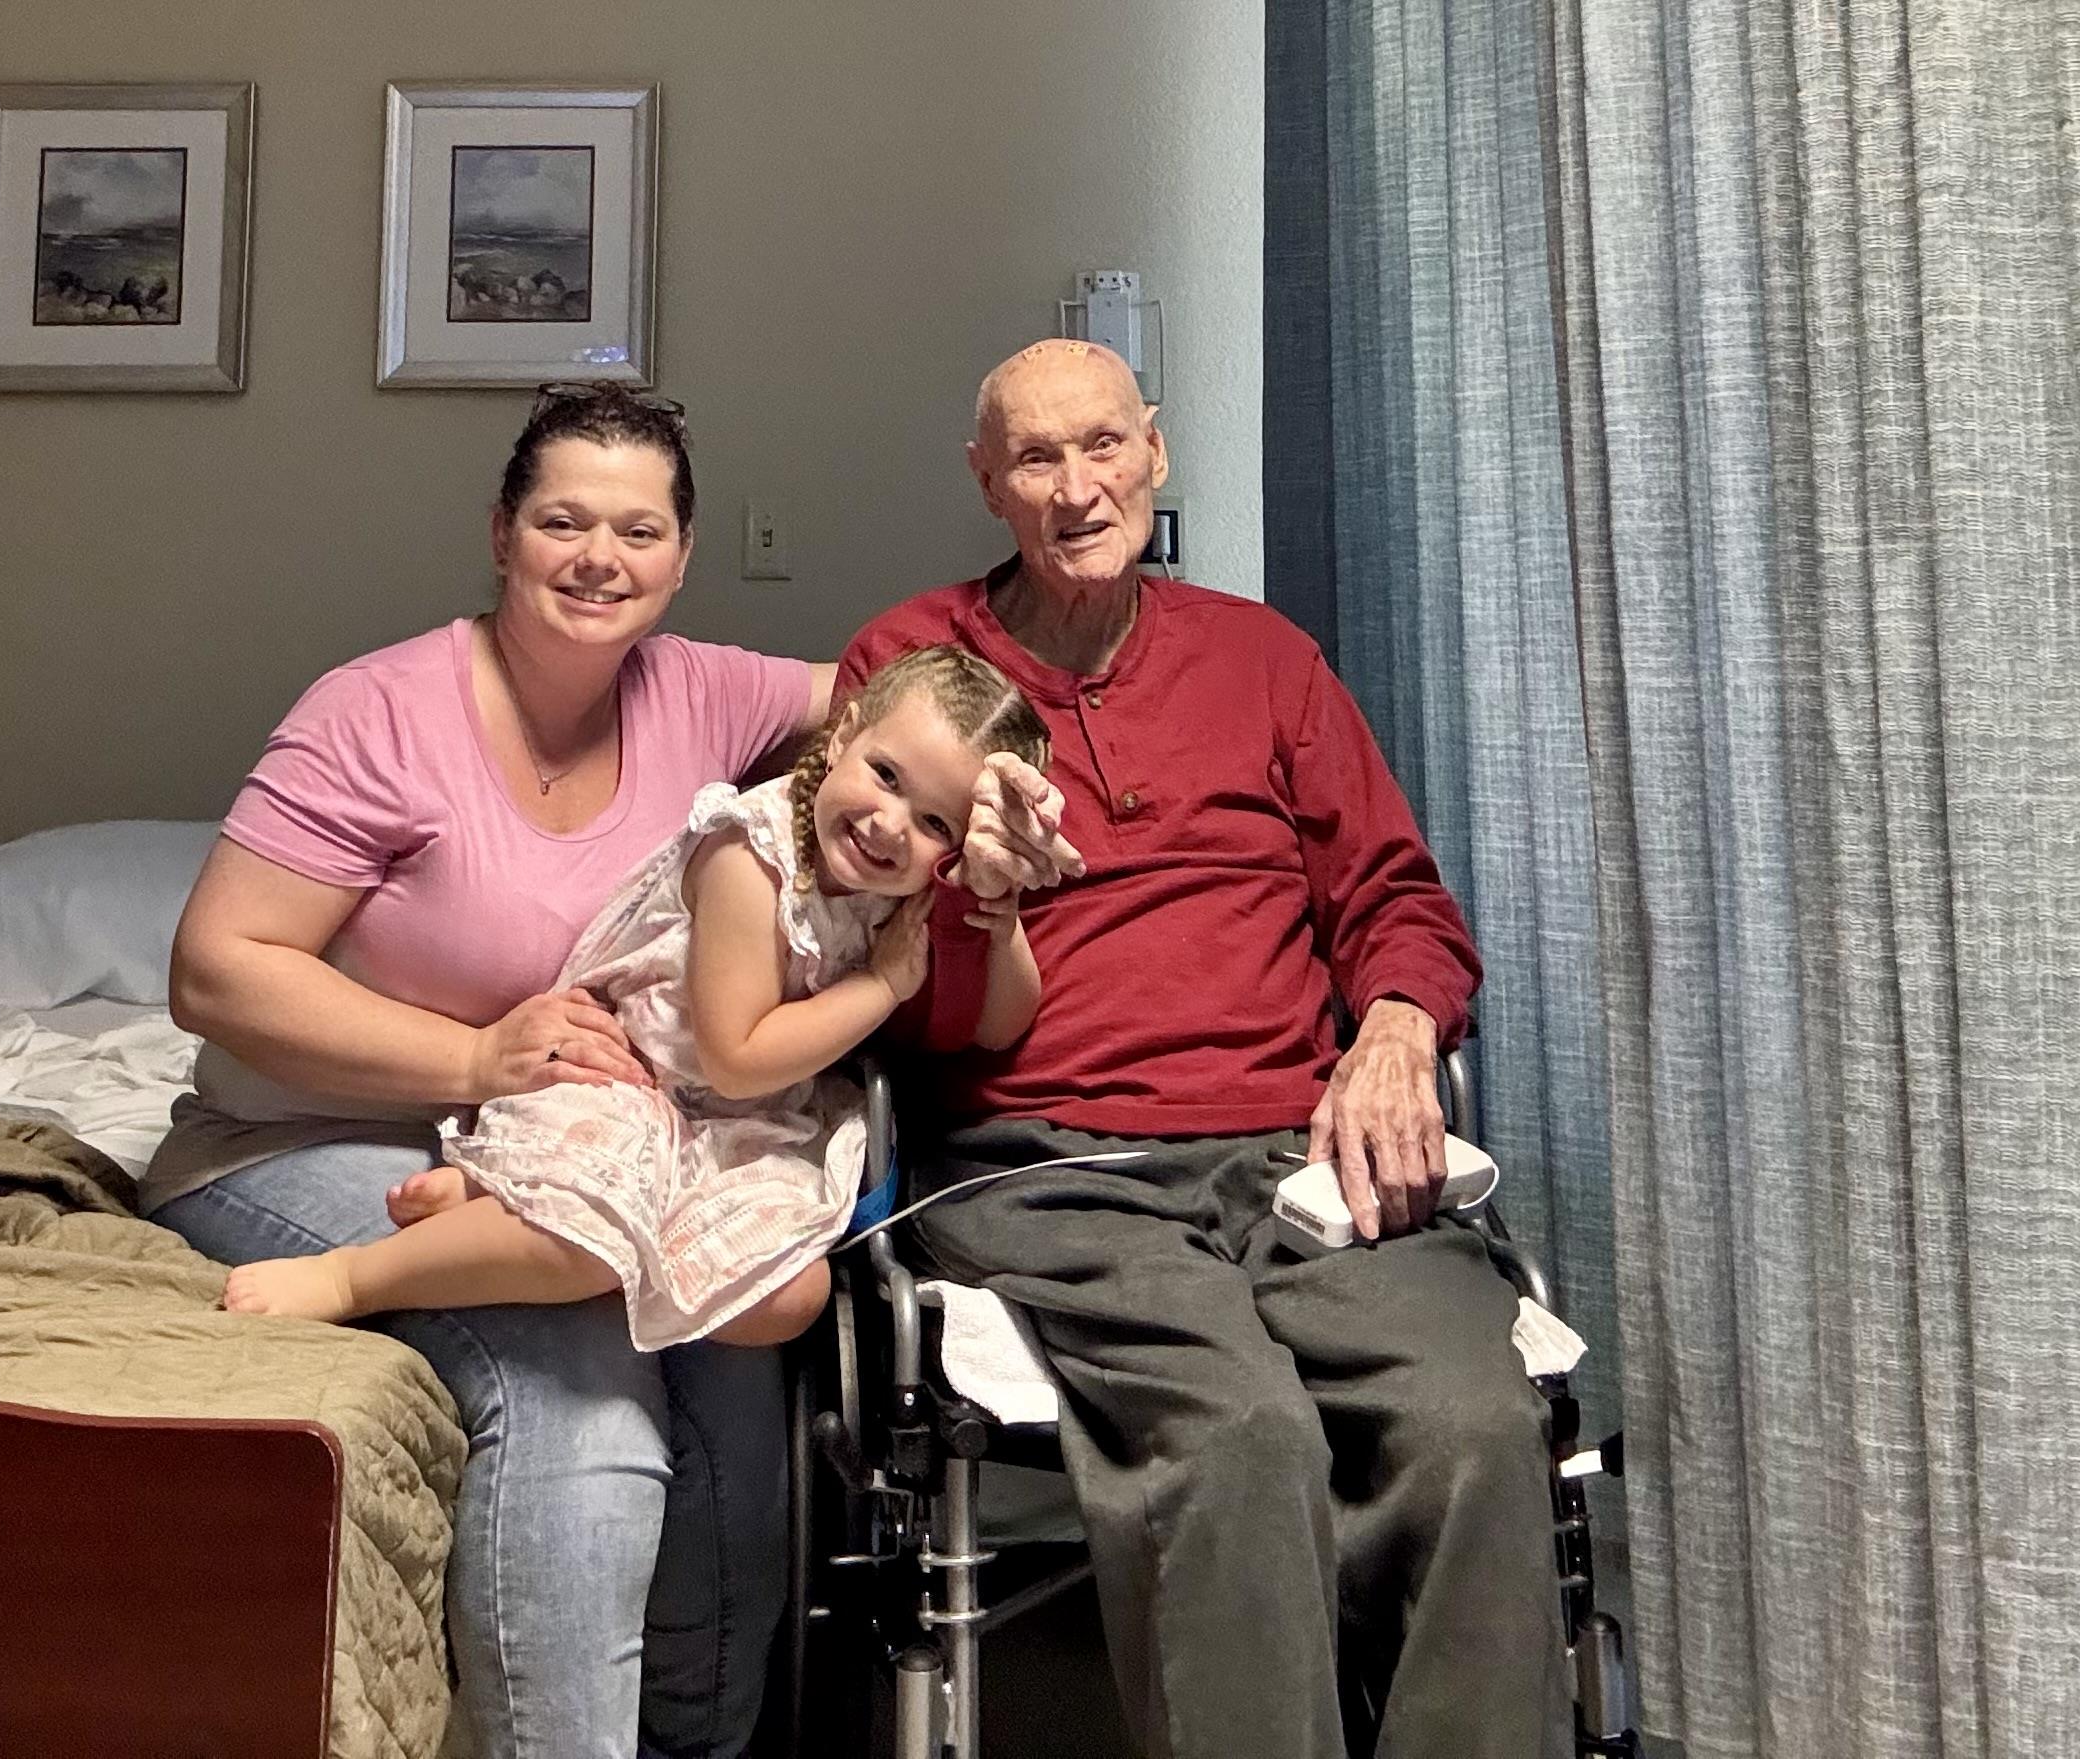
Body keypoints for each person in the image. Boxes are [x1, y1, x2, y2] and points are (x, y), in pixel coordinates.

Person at [839, 340, 1571, 1759]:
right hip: (1051, 1165)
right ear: (985, 482)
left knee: (1470, 1419)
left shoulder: (1262, 656)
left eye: (1101, 445)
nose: (1074, 486)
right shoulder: (910, 671)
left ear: (1155, 454)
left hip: (1300, 1152)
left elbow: (1395, 899)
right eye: (1036, 457)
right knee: (1239, 1433)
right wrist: (971, 896)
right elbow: (870, 965)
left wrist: (1399, 1028)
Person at [142, 382, 829, 1759]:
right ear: (502, 534)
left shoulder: (710, 690)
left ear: (682, 555)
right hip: (316, 1138)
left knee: (743, 1394)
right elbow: (215, 967)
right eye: (561, 519)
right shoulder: (374, 711)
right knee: (572, 1365)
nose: (599, 557)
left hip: (577, 1152)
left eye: (637, 529)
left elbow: (910, 711)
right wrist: (471, 1051)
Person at [220, 645, 1052, 1352]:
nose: (890, 823)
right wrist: (880, 985)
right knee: (585, 1246)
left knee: (789, 1300)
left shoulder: (896, 880)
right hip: (626, 1076)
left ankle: (502, 1210)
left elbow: (1003, 1020)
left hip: (729, 1122)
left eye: (935, 822)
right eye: (884, 774)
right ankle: (354, 1275)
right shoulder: (749, 855)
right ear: (839, 738)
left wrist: (997, 907)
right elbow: (734, 1058)